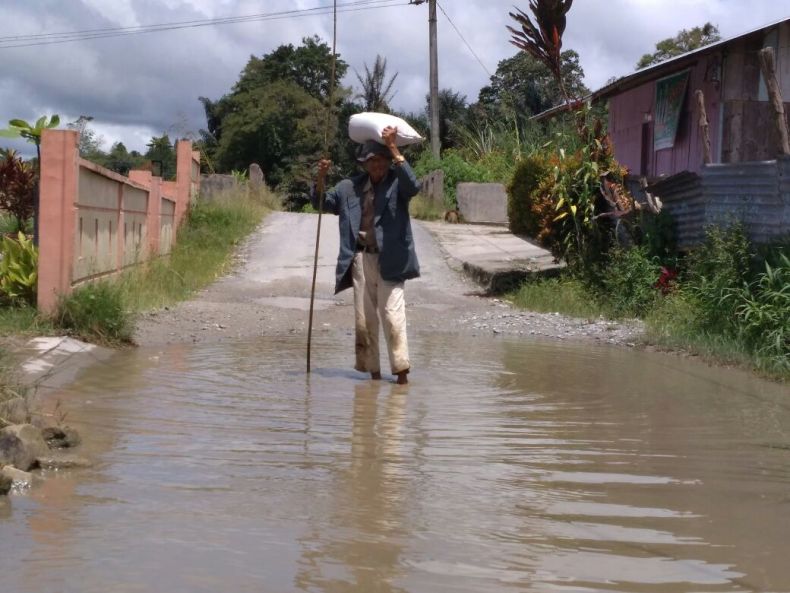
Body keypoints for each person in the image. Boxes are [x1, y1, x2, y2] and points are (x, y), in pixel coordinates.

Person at [312, 126, 420, 385]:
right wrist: (321, 178)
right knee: (365, 320)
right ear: (364, 164)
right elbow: (321, 203)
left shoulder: (397, 183)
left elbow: (414, 186)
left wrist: (393, 146)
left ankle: (401, 375)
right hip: (361, 259)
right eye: (372, 162)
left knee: (393, 316)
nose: (377, 167)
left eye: (381, 161)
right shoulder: (349, 187)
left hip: (391, 260)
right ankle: (374, 376)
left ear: (388, 162)